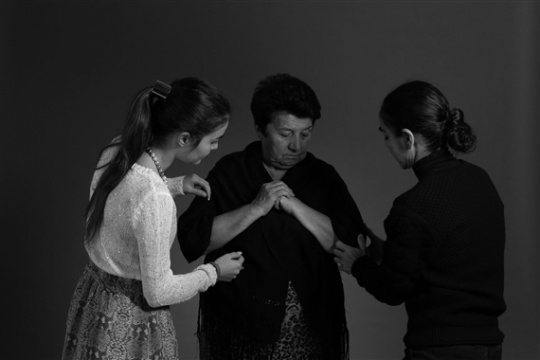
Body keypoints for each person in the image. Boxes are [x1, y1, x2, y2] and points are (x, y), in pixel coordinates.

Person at [177, 73, 366, 360]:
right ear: (260, 129)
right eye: (285, 134)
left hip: (309, 327)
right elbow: (194, 241)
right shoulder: (231, 171)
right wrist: (256, 207)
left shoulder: (323, 176)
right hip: (239, 326)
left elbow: (349, 243)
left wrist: (296, 206)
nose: (297, 145)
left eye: (306, 133)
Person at [62, 78, 245, 360]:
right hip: (130, 319)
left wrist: (174, 185)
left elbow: (123, 203)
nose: (215, 148)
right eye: (213, 141)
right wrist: (214, 273)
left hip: (95, 297)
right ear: (184, 139)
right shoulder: (155, 199)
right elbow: (158, 293)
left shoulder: (118, 149)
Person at [334, 80, 506, 360]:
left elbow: (391, 290)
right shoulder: (480, 179)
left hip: (440, 350)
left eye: (386, 136)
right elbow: (445, 259)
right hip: (489, 346)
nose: (387, 145)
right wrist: (383, 249)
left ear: (407, 138)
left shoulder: (413, 206)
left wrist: (358, 264)